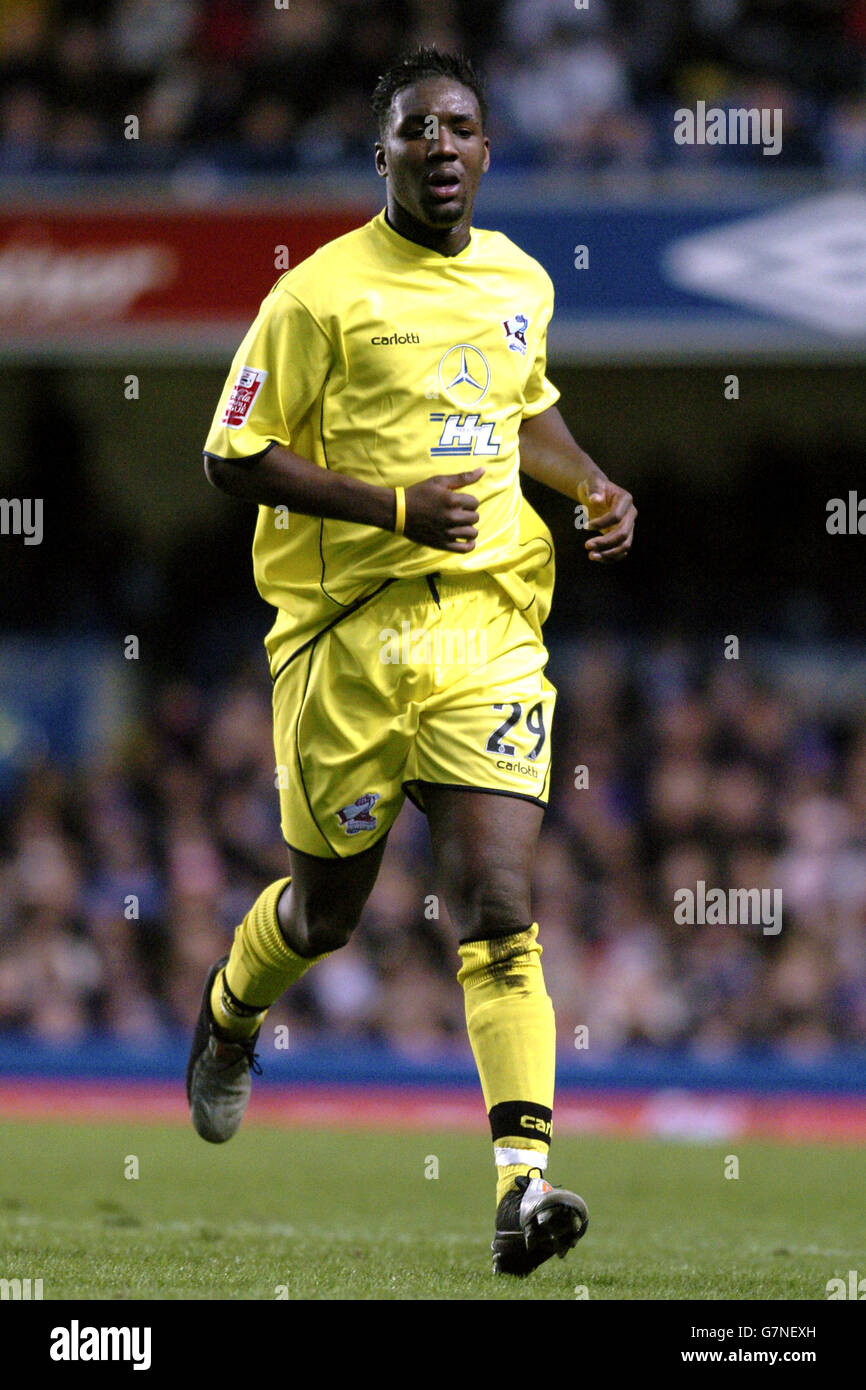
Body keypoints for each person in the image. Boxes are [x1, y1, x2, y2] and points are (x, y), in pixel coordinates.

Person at [188, 47, 636, 1276]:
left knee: (499, 905)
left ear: (487, 152)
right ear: (379, 154)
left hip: (486, 628)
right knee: (326, 914)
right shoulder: (316, 297)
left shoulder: (521, 282)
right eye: (414, 129)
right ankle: (230, 1015)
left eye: (459, 126)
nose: (439, 145)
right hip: (346, 642)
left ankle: (521, 1183)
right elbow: (230, 455)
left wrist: (588, 480)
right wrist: (386, 508)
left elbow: (517, 407)